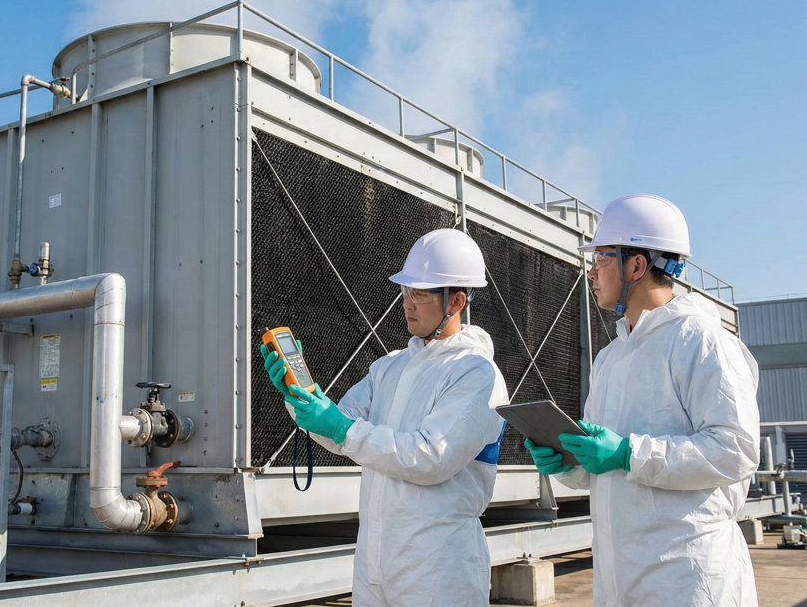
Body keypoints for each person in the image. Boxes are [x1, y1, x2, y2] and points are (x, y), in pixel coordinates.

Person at [525, 193, 760, 607]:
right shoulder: (612, 356)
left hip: (687, 576)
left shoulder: (702, 341)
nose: (592, 273)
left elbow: (735, 450)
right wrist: (569, 461)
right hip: (621, 575)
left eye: (600, 260)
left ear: (635, 265)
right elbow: (606, 466)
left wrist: (628, 453)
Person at [261, 228, 508, 607]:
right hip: (375, 564)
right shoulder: (389, 367)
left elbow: (431, 457)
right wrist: (301, 398)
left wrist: (341, 428)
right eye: (406, 291)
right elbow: (338, 426)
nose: (407, 303)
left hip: (439, 569)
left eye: (421, 292)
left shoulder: (476, 373)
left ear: (456, 301)